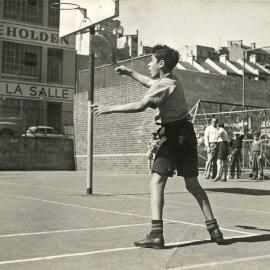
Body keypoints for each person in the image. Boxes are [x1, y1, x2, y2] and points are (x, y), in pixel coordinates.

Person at [91, 44, 224, 249]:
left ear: (161, 63)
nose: (148, 63)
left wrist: (107, 108)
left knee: (157, 180)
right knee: (192, 185)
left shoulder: (163, 85)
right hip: (186, 134)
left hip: (173, 135)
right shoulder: (171, 80)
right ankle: (214, 229)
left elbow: (140, 105)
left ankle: (156, 234)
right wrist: (129, 72)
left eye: (151, 60)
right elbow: (150, 82)